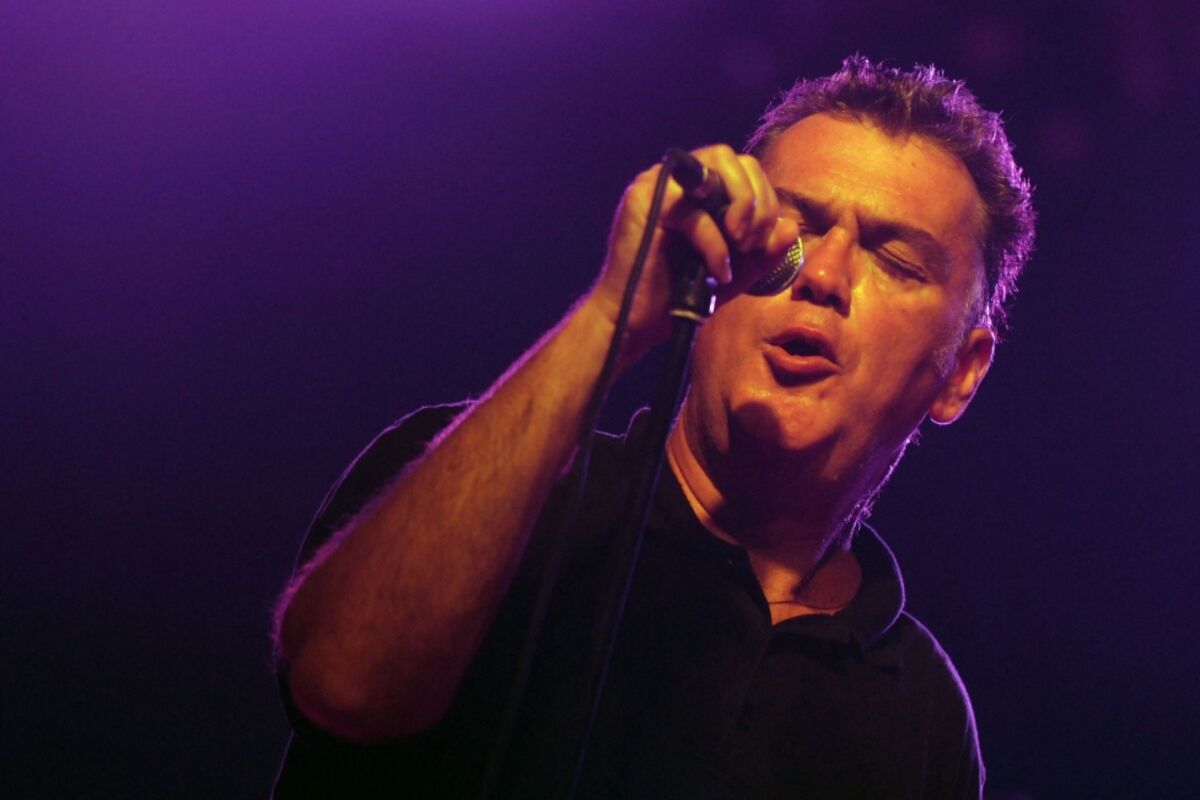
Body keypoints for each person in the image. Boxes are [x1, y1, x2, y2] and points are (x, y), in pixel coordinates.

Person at [270, 55, 1035, 798]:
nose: (823, 276)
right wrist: (614, 313)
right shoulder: (491, 482)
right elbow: (343, 687)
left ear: (962, 372)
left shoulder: (923, 715)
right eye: (795, 229)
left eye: (895, 261)